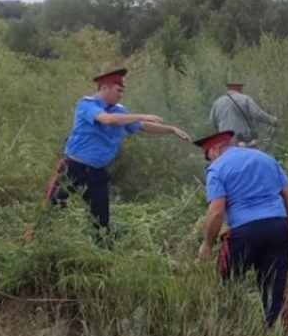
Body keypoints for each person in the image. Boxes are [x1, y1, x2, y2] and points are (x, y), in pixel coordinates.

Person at [47, 68, 190, 230]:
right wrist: (142, 115)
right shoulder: (87, 104)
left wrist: (170, 129)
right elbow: (107, 120)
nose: (120, 94)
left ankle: (101, 249)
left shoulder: (119, 111)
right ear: (104, 88)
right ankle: (33, 242)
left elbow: (141, 126)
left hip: (96, 172)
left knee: (101, 221)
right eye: (118, 90)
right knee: (50, 211)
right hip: (73, 168)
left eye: (122, 91)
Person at [195, 130, 288, 328]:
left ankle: (227, 329)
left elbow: (216, 212)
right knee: (274, 290)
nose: (208, 163)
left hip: (244, 232)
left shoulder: (217, 168)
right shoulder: (265, 158)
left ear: (215, 150)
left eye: (207, 157)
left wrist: (207, 244)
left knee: (225, 283)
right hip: (277, 227)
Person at [209, 81, 279, 147]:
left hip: (225, 141)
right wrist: (273, 120)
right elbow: (257, 114)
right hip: (243, 140)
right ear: (238, 87)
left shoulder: (217, 102)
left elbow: (213, 121)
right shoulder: (245, 99)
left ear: (227, 88)